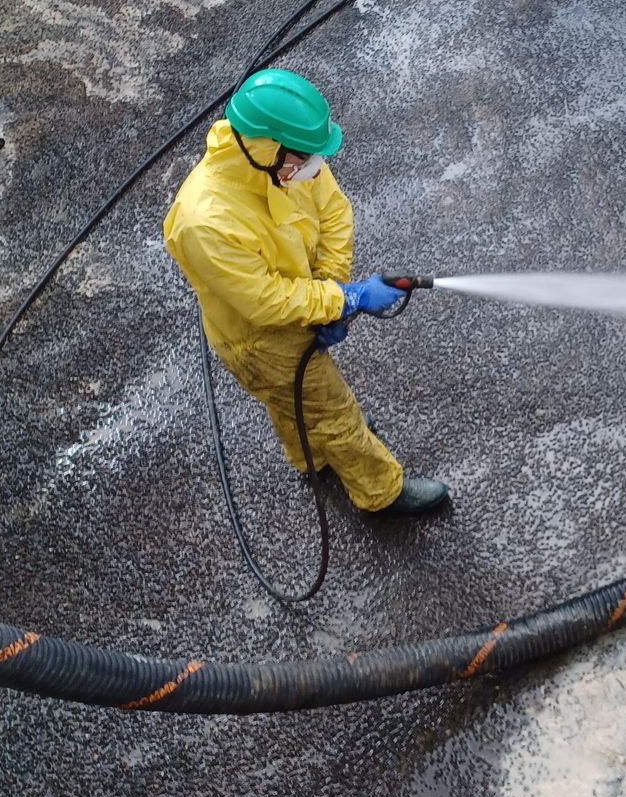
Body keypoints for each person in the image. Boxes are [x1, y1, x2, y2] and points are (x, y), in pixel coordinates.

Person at [162, 68, 449, 516]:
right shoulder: (205, 221)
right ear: (269, 149)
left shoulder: (285, 161)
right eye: (306, 158)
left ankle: (310, 456)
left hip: (301, 308)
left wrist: (329, 291)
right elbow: (266, 301)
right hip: (259, 340)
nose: (317, 168)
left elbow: (334, 213)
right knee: (334, 413)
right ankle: (382, 493)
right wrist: (345, 299)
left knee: (292, 402)